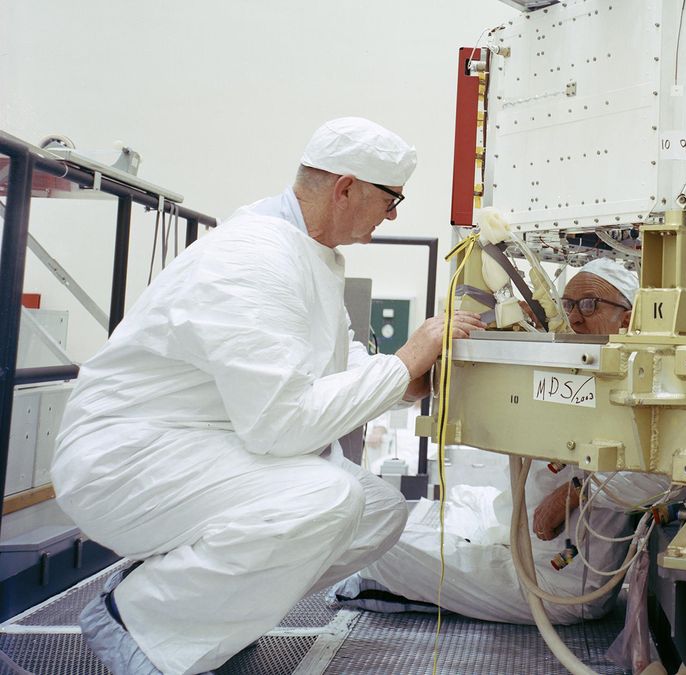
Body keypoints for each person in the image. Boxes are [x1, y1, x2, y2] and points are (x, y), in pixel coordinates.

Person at [52, 117, 486, 675]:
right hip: (128, 460)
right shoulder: (253, 258)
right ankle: (136, 622)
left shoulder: (307, 252)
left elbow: (340, 360)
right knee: (327, 498)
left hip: (204, 449)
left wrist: (410, 379)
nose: (394, 215)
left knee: (377, 512)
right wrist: (405, 360)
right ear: (346, 187)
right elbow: (281, 426)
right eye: (391, 198)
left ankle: (197, 616)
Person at [331, 257, 674, 624]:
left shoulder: (649, 388)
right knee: (455, 503)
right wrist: (496, 322)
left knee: (379, 546)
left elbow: (671, 475)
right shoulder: (577, 370)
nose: (573, 317)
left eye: (589, 304)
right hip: (519, 543)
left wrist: (578, 492)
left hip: (557, 586)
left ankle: (355, 585)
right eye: (568, 305)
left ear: (628, 315)